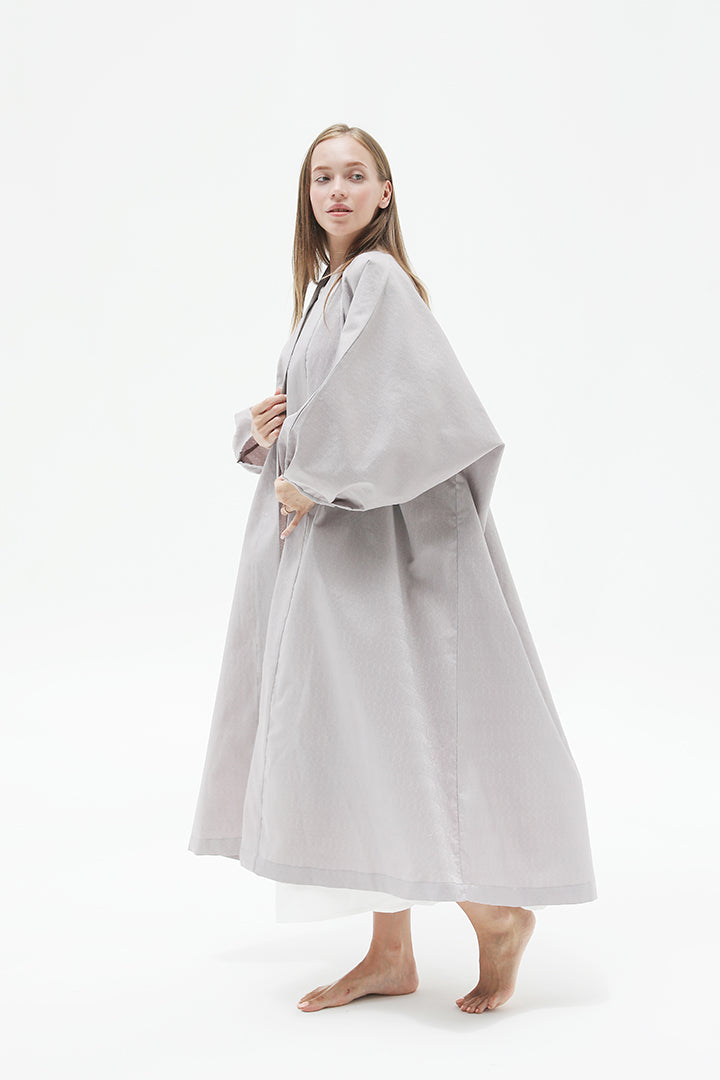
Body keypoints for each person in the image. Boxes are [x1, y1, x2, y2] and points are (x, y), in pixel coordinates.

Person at [188, 123, 598, 1015]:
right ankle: (389, 952)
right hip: (336, 546)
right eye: (321, 178)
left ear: (384, 192)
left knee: (393, 727)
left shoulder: (377, 278)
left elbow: (414, 407)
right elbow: (335, 404)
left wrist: (317, 475)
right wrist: (264, 432)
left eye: (354, 175)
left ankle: (495, 916)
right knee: (362, 733)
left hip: (373, 550)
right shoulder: (327, 289)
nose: (336, 190)